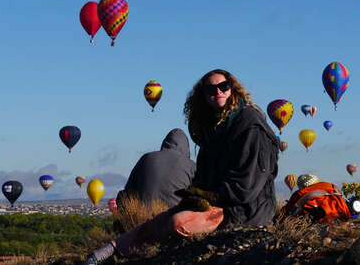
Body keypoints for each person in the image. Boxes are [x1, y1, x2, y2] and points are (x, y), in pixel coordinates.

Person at [85, 69, 280, 262]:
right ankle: (109, 251)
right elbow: (202, 177)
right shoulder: (213, 132)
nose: (218, 92)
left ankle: (135, 251)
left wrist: (206, 197)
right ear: (203, 97)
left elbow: (245, 187)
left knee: (178, 222)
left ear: (233, 90)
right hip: (217, 203)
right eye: (211, 90)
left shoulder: (251, 127)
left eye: (223, 86)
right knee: (157, 221)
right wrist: (195, 196)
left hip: (245, 210)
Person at [116, 128, 195, 208]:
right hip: (176, 217)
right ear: (186, 148)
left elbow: (128, 192)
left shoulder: (145, 158)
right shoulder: (191, 166)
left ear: (165, 143)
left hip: (144, 216)